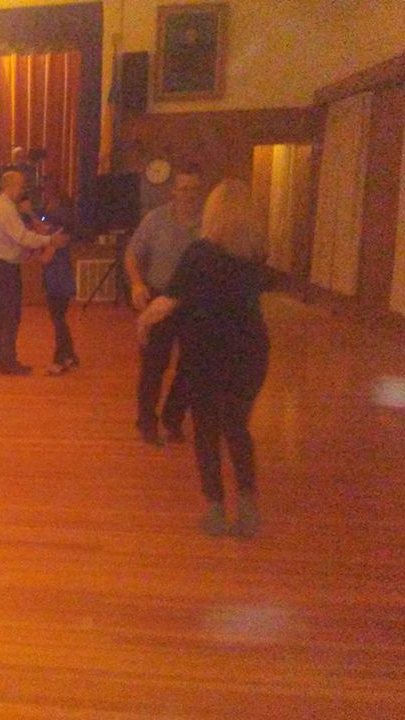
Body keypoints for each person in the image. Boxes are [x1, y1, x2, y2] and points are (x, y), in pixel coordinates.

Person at [137, 179, 270, 538]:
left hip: (208, 353)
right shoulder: (255, 258)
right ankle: (248, 506)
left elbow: (168, 302)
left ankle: (215, 508)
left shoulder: (200, 253)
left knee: (207, 430)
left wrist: (144, 320)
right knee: (237, 428)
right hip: (250, 353)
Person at [124, 163, 203, 445]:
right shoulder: (155, 219)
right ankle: (146, 420)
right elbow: (132, 254)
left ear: (201, 191)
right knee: (154, 364)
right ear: (174, 191)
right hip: (160, 297)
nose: (188, 194)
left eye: (194, 189)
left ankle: (173, 418)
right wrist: (137, 283)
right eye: (183, 188)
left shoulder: (210, 223)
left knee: (192, 365)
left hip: (195, 302)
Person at [0, 170, 66, 376]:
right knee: (10, 315)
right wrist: (49, 240)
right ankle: (7, 361)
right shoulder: (5, 209)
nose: (23, 190)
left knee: (1, 314)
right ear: (10, 186)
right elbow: (22, 237)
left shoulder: (1, 207)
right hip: (5, 269)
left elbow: (17, 240)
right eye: (21, 186)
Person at [26, 183, 79, 375]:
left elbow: (47, 257)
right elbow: (43, 227)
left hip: (58, 279)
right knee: (59, 318)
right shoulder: (60, 229)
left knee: (58, 320)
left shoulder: (59, 234)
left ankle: (60, 360)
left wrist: (32, 254)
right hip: (60, 277)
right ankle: (70, 355)